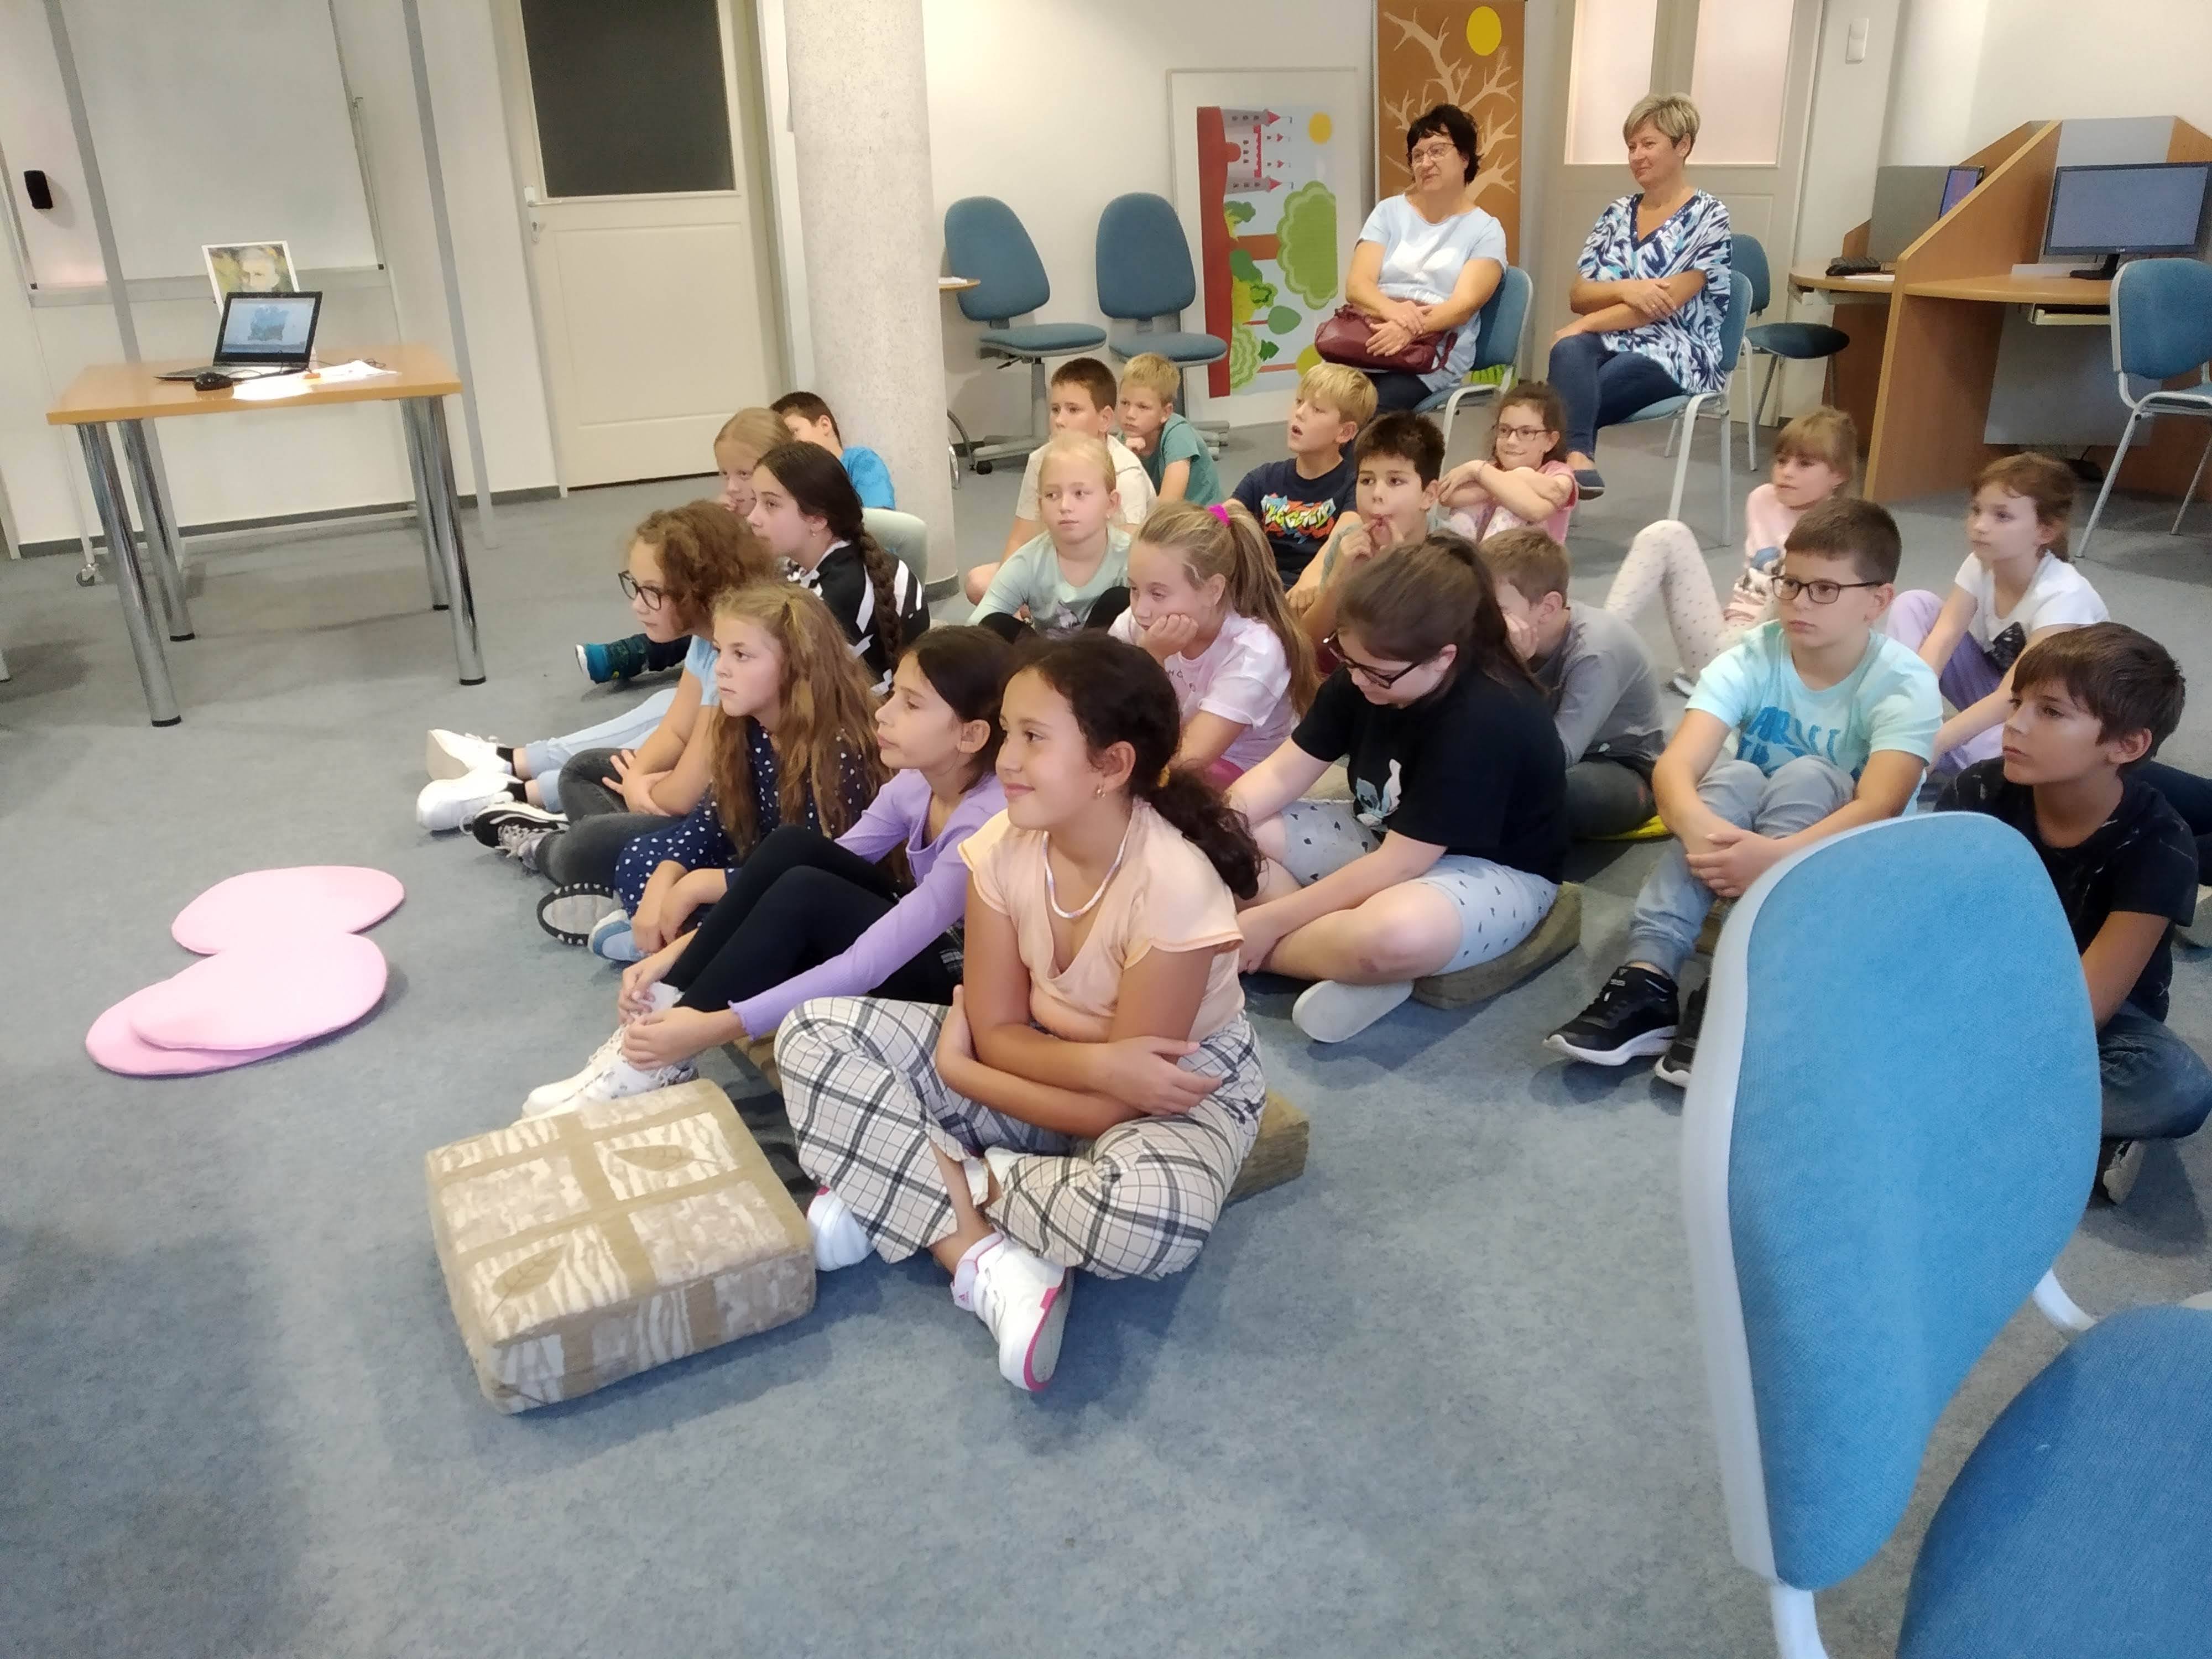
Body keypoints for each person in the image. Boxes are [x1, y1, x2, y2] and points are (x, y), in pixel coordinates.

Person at [774, 635, 1270, 1392]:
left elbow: (1114, 1105)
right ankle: (981, 1261)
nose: (1005, 759)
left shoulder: (1172, 882)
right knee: (813, 1031)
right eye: (1008, 732)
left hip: (1170, 1097)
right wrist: (1003, 1060)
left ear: (1112, 765)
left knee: (1149, 1219)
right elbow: (1002, 1030)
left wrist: (962, 1071)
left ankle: (922, 1171)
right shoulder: (1003, 843)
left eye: (1034, 738)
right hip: (1041, 1062)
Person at [524, 627, 1015, 1113]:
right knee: (791, 849)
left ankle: (664, 1047)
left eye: (911, 704)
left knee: (805, 892)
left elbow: (866, 963)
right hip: (925, 949)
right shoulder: (917, 782)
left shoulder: (984, 825)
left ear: (971, 735)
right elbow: (815, 861)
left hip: (963, 997)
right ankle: (665, 1010)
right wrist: (671, 959)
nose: (883, 713)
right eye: (894, 696)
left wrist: (713, 1027)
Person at [1546, 499, 1940, 1082]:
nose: (1798, 602)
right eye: (1790, 582)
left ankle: (1734, 986)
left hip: (1848, 857)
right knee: (1732, 777)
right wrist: (1704, 834)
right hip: (1748, 846)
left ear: (1878, 601)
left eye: (1825, 590)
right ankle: (1648, 979)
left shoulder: (1904, 683)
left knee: (1811, 774)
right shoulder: (1754, 655)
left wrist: (1775, 859)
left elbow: (1879, 805)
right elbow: (1675, 769)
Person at [1229, 532, 1568, 1044]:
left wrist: (1267, 923)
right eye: (1347, 659)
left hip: (1493, 869)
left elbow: (1402, 865)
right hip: (1387, 834)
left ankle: (1289, 954)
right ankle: (1341, 962)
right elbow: (1280, 774)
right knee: (1230, 838)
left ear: (1444, 658)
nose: (1358, 680)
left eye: (1378, 674)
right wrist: (1210, 825)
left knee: (1393, 935)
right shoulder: (1367, 671)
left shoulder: (1486, 716)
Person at [1937, 624, 2212, 1205]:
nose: (2015, 724)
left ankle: (1951, 1104)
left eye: (2051, 712)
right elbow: (1936, 926)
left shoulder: (2160, 844)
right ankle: (2065, 1132)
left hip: (2088, 1014)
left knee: (2177, 1085)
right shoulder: (1979, 791)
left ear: (2126, 746)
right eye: (2018, 703)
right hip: (1980, 983)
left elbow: (2084, 1010)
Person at [420, 502, 772, 832]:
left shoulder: (733, 662)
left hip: (729, 818)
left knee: (585, 833)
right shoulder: (705, 640)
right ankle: (517, 777)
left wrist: (637, 789)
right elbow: (676, 730)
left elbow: (684, 793)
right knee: (597, 765)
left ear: (700, 591)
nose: (638, 605)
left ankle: (537, 817)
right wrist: (639, 775)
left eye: (652, 592)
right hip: (688, 790)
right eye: (635, 587)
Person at [584, 582, 885, 961]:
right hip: (754, 860)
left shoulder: (837, 747)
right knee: (641, 855)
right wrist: (667, 876)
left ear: (797, 664)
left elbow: (817, 870)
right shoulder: (745, 723)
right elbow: (711, 820)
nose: (721, 669)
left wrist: (701, 885)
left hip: (815, 889)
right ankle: (670, 939)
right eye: (719, 651)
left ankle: (668, 945)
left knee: (769, 918)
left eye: (741, 655)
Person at [1547, 93, 1731, 499]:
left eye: (1648, 144)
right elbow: (1580, 294)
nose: (1636, 156)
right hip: (1612, 337)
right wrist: (1628, 289)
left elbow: (1663, 306)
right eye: (1631, 146)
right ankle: (1577, 461)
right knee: (1568, 353)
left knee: (1566, 398)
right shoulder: (1617, 213)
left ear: (1683, 145)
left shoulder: (1709, 216)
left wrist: (1584, 324)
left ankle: (1549, 473)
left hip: (1679, 347)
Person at [1604, 406, 1856, 691]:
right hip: (1727, 641)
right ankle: (1600, 643)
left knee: (1797, 573)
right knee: (1666, 533)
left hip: (1778, 655)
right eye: (1781, 461)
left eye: (1805, 464)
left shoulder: (1843, 528)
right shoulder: (1763, 500)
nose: (1786, 473)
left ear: (1838, 475)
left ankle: (1732, 685)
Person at [1886, 452, 2106, 775]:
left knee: (1995, 754)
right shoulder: (1981, 562)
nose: (1979, 526)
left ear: (2045, 531)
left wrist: (1937, 742)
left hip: (2046, 709)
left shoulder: (2065, 595)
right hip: (2002, 692)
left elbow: (2014, 694)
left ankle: (1952, 754)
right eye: (1977, 510)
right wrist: (1908, 716)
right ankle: (1900, 720)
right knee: (1915, 604)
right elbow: (1945, 635)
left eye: (2002, 516)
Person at [1110, 500, 1318, 784]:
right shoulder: (1144, 622)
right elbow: (1095, 703)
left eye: (1158, 594)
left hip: (1243, 771)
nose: (1141, 609)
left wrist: (1150, 663)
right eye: (1134, 589)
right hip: (1160, 750)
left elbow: (1187, 760)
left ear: (1212, 591)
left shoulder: (1255, 650)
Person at [577, 408, 786, 685]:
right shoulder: (734, 513)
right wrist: (719, 524)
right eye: (725, 474)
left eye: (744, 474)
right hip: (714, 621)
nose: (732, 487)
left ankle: (639, 654)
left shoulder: (787, 528)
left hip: (750, 620)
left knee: (687, 615)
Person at [1482, 528, 1665, 838]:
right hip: (1547, 745)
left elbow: (1554, 757)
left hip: (1622, 764)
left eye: (1497, 609)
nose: (1480, 619)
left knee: (1544, 793)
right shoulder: (1503, 633)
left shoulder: (1596, 651)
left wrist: (1513, 672)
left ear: (1548, 608)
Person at [1343, 103, 1507, 415]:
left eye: (1437, 151)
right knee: (1321, 402)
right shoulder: (1388, 212)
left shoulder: (1486, 229)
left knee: (1368, 411)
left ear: (1464, 158)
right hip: (1372, 338)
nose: (1425, 163)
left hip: (1432, 354)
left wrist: (1410, 330)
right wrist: (1394, 313)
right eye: (1417, 156)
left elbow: (1462, 307)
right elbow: (1357, 285)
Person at [963, 357, 1154, 603]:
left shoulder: (1126, 473)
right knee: (978, 582)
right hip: (1058, 559)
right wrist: (1012, 597)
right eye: (1055, 409)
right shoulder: (1040, 460)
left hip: (1107, 582)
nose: (1060, 420)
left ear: (1105, 419)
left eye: (1073, 410)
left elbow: (1127, 563)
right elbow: (1020, 539)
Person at [748, 440, 928, 691]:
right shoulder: (810, 560)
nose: (752, 518)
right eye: (754, 500)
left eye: (771, 504)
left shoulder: (839, 593)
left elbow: (791, 686)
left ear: (817, 520)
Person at [1285, 411, 1448, 656]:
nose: (1377, 494)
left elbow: (1432, 652)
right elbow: (1308, 643)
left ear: (1429, 495)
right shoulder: (1348, 543)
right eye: (1367, 481)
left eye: (1395, 481)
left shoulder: (1450, 551)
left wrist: (1397, 574)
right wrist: (1338, 580)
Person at [969, 432, 1133, 638]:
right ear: (1041, 506)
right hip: (1044, 656)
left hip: (1107, 656)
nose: (1064, 506)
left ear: (1111, 503)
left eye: (1080, 493)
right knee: (995, 624)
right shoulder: (1029, 562)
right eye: (1052, 495)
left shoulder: (1131, 557)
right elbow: (978, 625)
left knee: (1119, 600)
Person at [1229, 363, 1375, 589]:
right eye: (1299, 401)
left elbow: (1342, 539)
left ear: (1345, 432)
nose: (1300, 413)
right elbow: (1222, 516)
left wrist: (1309, 580)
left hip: (1318, 591)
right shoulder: (1263, 478)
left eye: (1317, 409)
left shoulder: (1356, 484)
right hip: (1263, 590)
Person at [1436, 381, 1579, 544]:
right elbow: (1448, 497)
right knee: (1466, 510)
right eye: (1504, 430)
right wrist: (1491, 477)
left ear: (1550, 441)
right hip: (1476, 554)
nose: (1511, 441)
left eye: (1526, 432)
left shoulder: (1558, 472)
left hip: (1529, 558)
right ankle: (1456, 557)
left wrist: (1481, 473)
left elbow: (1538, 508)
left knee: (1512, 508)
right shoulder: (1489, 469)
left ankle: (1490, 559)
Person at [1118, 352, 1222, 507]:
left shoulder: (1177, 433)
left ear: (1166, 413)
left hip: (1208, 515)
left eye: (1143, 407)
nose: (1130, 414)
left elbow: (1169, 503)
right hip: (1167, 516)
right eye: (1125, 403)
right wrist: (1123, 459)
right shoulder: (1125, 437)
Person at [772, 390, 896, 509]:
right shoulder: (797, 484)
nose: (788, 446)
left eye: (793, 432)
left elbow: (879, 517)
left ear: (825, 425)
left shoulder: (861, 462)